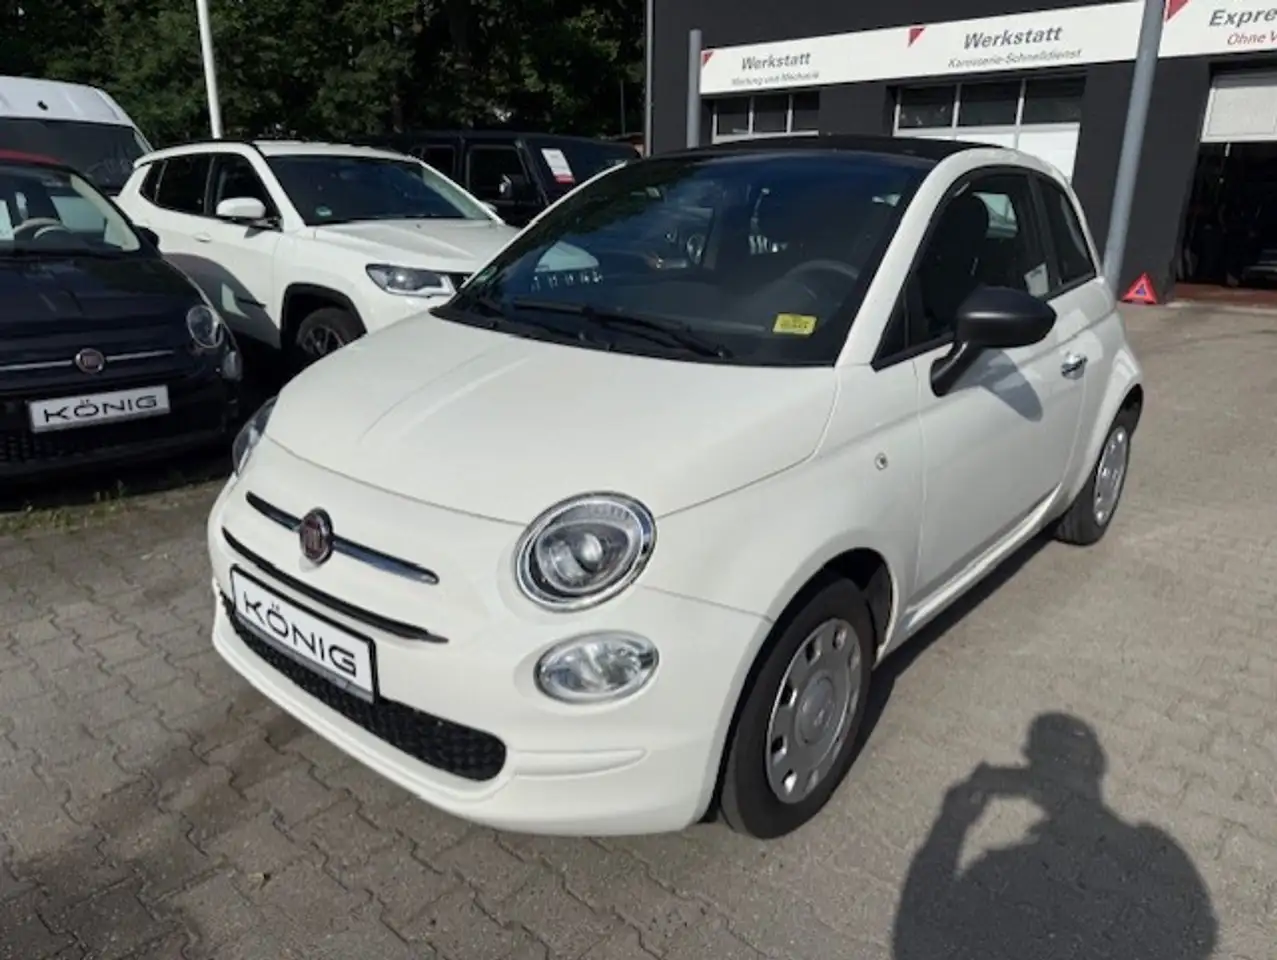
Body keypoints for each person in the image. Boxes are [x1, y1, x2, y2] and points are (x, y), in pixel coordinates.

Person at [893, 713, 1217, 960]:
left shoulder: (1001, 868)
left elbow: (914, 941)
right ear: (1097, 765)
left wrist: (950, 827)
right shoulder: (1152, 846)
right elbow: (1201, 932)